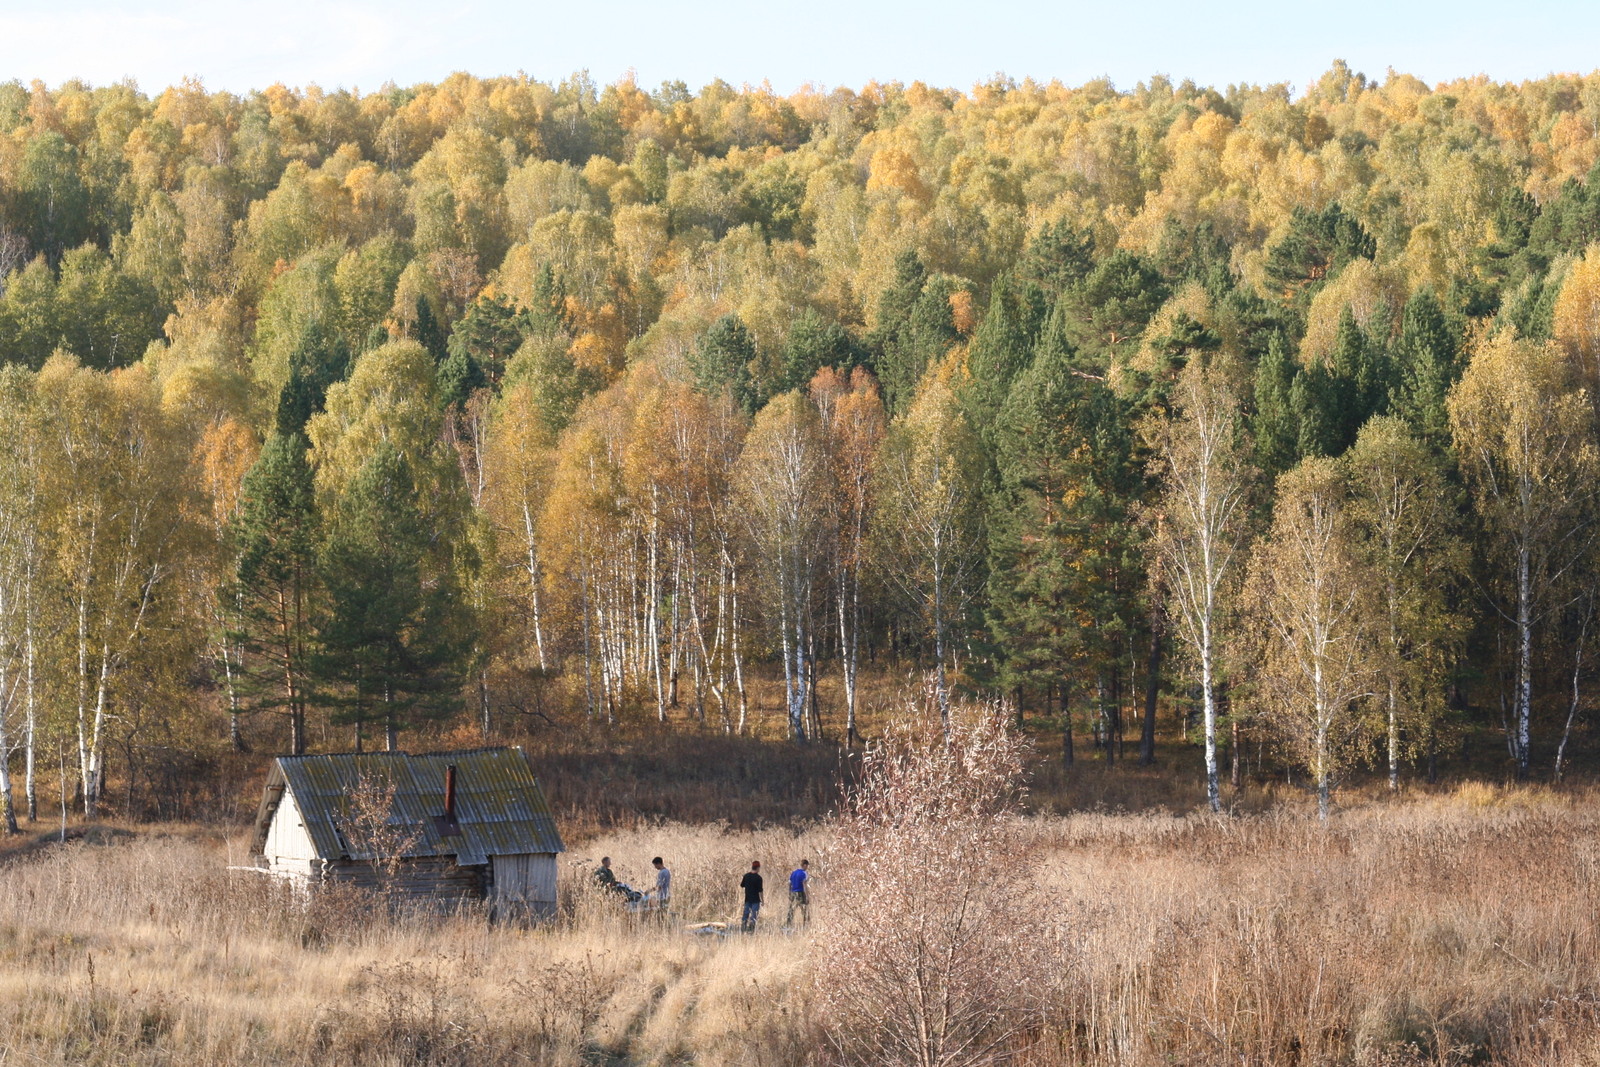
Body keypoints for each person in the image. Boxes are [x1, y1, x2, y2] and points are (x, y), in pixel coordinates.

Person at [739, 860, 764, 933]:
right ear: (758, 868)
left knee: (745, 915)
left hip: (747, 899)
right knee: (754, 916)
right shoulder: (759, 878)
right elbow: (760, 890)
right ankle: (751, 930)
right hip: (756, 900)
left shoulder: (746, 876)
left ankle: (743, 929)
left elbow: (742, 885)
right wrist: (762, 900)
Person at [785, 858, 810, 927]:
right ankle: (806, 925)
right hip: (801, 893)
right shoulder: (804, 873)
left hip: (793, 893)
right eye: (807, 866)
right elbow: (804, 884)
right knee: (805, 910)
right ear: (804, 865)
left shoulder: (793, 873)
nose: (807, 867)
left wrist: (789, 893)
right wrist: (807, 896)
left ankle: (788, 924)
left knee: (791, 910)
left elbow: (789, 883)